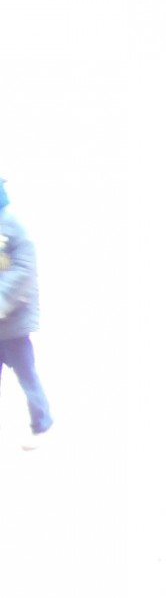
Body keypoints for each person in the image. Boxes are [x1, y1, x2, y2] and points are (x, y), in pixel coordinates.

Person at [0, 177, 53, 451]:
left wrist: (2, 298)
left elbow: (24, 270)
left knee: (27, 376)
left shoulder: (13, 227)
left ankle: (42, 426)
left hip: (14, 324)